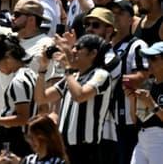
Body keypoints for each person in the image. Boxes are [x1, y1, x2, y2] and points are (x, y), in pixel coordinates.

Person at [34, 33, 113, 164]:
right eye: (73, 47)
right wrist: (42, 69)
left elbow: (80, 96)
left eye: (78, 48)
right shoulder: (72, 77)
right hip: (64, 147)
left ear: (93, 53)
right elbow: (41, 98)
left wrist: (67, 68)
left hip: (86, 149)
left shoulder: (101, 75)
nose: (73, 51)